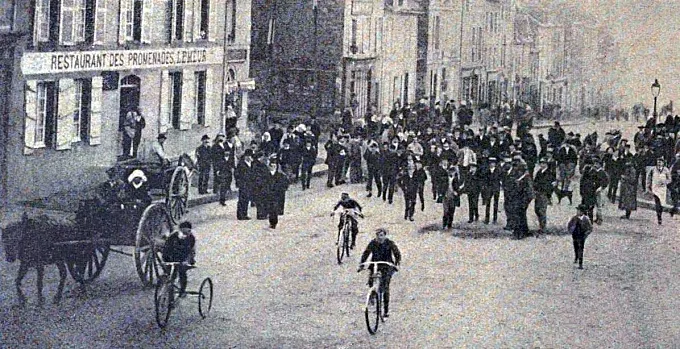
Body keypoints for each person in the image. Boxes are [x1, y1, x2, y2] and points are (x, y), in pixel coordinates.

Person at [358, 228, 402, 318]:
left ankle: (386, 311)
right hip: (375, 265)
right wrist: (362, 264)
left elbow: (397, 253)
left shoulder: (390, 243)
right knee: (371, 279)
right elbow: (366, 253)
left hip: (387, 266)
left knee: (385, 287)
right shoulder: (373, 243)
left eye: (382, 235)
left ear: (385, 236)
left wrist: (397, 263)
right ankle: (372, 293)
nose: (380, 237)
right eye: (378, 235)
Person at [162, 221, 196, 296]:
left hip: (183, 258)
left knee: (182, 272)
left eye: (187, 232)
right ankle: (169, 296)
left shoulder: (191, 238)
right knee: (170, 276)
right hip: (172, 257)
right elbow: (166, 249)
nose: (185, 235)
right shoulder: (173, 236)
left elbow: (191, 252)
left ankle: (182, 291)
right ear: (179, 231)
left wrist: (187, 261)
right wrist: (166, 260)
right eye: (183, 233)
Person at [262, 159, 289, 229]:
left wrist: (282, 190)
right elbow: (263, 184)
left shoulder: (280, 175)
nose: (273, 167)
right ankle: (271, 222)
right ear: (269, 166)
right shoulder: (266, 175)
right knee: (270, 208)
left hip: (276, 194)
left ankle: (273, 223)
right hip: (269, 194)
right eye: (272, 166)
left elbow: (285, 183)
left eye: (275, 166)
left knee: (274, 208)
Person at [647, 157, 672, 225]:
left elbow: (669, 179)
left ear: (663, 163)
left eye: (661, 162)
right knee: (657, 202)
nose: (659, 163)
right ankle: (659, 217)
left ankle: (660, 213)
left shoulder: (666, 170)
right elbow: (649, 178)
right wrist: (648, 186)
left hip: (662, 189)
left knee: (661, 204)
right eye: (658, 161)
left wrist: (665, 182)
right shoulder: (653, 169)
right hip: (655, 188)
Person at [568, 204, 593, 270]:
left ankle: (580, 263)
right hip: (575, 235)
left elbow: (590, 228)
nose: (577, 212)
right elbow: (569, 225)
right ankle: (576, 256)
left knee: (581, 249)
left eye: (578, 211)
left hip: (582, 236)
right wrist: (571, 231)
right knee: (575, 247)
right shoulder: (574, 218)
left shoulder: (586, 219)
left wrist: (585, 235)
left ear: (582, 212)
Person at [533, 158, 554, 235]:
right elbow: (535, 181)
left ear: (546, 164)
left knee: (542, 211)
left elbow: (549, 185)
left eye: (543, 163)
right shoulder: (539, 172)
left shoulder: (549, 173)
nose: (542, 164)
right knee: (537, 210)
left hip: (544, 194)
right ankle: (541, 226)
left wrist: (548, 195)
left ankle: (543, 228)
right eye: (541, 163)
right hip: (538, 194)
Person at [234, 149, 255, 220]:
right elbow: (237, 174)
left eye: (250, 156)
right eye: (247, 156)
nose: (249, 157)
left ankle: (245, 214)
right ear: (245, 156)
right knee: (242, 199)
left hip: (250, 184)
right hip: (243, 184)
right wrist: (239, 182)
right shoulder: (241, 164)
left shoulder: (251, 164)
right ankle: (240, 215)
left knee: (247, 199)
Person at [480, 157, 502, 224]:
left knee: (496, 204)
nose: (492, 164)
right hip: (489, 188)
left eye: (493, 163)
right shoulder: (486, 171)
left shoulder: (498, 170)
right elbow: (484, 180)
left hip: (496, 188)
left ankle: (495, 219)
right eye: (490, 163)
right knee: (488, 204)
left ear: (495, 164)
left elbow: (500, 179)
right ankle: (487, 219)